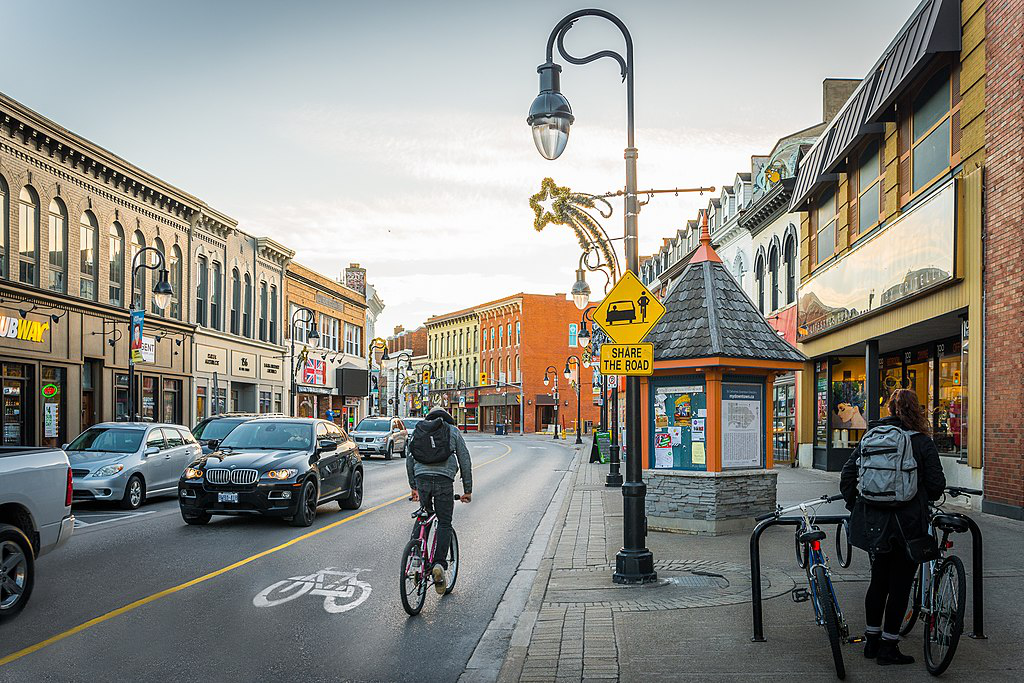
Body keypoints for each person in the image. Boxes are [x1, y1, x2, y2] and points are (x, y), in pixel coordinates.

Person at [840, 388, 945, 666]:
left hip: (874, 522)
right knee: (899, 586)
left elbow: (847, 476)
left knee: (878, 580)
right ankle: (888, 646)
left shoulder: (871, 437)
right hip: (908, 524)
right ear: (917, 410)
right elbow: (936, 485)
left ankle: (871, 643)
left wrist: (859, 506)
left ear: (889, 410)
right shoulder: (922, 441)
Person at [407, 406, 472, 594]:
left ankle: (416, 561)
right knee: (444, 522)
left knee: (423, 517)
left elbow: (409, 459)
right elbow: (465, 459)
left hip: (422, 479)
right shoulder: (453, 431)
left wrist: (413, 486)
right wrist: (467, 490)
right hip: (444, 480)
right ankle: (438, 564)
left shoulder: (419, 430)